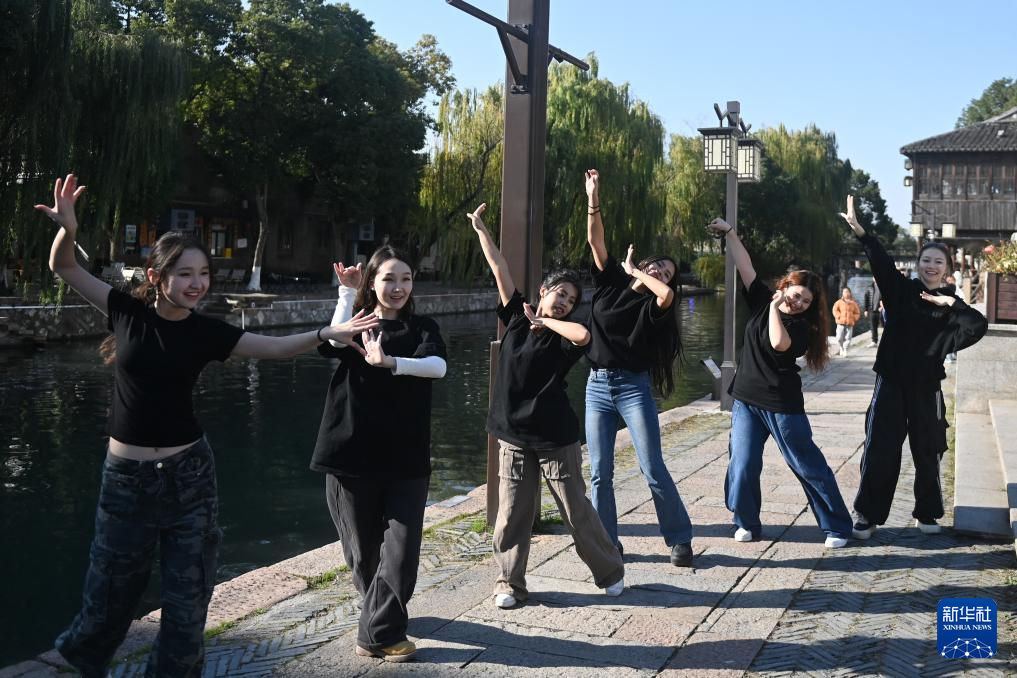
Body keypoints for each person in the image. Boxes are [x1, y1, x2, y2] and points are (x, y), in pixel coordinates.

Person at [40, 174, 379, 678]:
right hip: (126, 481)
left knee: (188, 600)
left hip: (190, 476)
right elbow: (64, 267)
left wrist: (325, 331)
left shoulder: (206, 332)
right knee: (108, 596)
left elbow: (273, 348)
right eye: (184, 274)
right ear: (157, 276)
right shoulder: (126, 313)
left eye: (203, 273)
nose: (197, 283)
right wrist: (68, 230)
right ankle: (79, 665)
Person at [465, 203, 625, 609]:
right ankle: (509, 583)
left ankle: (610, 570)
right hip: (513, 433)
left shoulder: (565, 333)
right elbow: (499, 268)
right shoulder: (516, 317)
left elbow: (584, 336)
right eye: (559, 294)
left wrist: (546, 322)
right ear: (543, 291)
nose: (564, 301)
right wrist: (482, 230)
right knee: (512, 513)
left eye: (570, 299)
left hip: (556, 437)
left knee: (575, 509)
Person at [311, 245, 447, 663]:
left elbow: (438, 366)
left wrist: (391, 362)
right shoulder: (358, 323)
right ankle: (383, 617)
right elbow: (333, 341)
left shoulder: (422, 327)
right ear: (373, 282)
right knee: (364, 554)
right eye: (389, 278)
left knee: (402, 552)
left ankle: (375, 634)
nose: (398, 287)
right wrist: (345, 293)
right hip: (350, 453)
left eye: (406, 279)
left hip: (406, 458)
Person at [839, 196, 987, 538]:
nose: (931, 266)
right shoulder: (901, 291)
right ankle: (867, 514)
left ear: (946, 268)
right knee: (880, 447)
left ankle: (928, 513)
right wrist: (862, 232)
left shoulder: (951, 305)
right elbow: (881, 262)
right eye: (926, 260)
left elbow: (977, 326)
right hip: (891, 381)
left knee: (928, 447)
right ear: (918, 263)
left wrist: (950, 303)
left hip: (927, 386)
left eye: (938, 262)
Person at [707, 218, 853, 548]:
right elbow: (744, 264)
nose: (799, 303)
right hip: (746, 400)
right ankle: (745, 521)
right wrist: (730, 232)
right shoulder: (762, 298)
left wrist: (775, 308)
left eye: (806, 302)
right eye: (796, 295)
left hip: (782, 405)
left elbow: (778, 343)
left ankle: (837, 526)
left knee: (806, 464)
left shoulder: (803, 327)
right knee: (742, 463)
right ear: (785, 286)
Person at [583, 169, 694, 566]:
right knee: (600, 472)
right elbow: (596, 240)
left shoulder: (655, 305)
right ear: (644, 263)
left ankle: (679, 539)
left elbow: (667, 296)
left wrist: (638, 273)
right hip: (597, 386)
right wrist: (593, 198)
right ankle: (607, 544)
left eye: (667, 273)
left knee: (651, 466)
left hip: (633, 388)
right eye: (657, 266)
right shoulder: (610, 282)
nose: (661, 274)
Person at [832, 287, 861, 356]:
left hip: (849, 323)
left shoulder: (853, 303)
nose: (846, 293)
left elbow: (857, 313)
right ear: (842, 293)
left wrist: (853, 318)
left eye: (847, 292)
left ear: (850, 293)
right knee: (839, 338)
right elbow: (834, 310)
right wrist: (838, 316)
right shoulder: (839, 302)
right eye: (844, 292)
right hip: (840, 323)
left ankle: (845, 349)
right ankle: (841, 347)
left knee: (848, 338)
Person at [863, 283, 882, 347]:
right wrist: (866, 310)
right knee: (873, 327)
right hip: (872, 311)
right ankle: (874, 341)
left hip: (881, 311)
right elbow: (866, 298)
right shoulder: (869, 287)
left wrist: (882, 307)